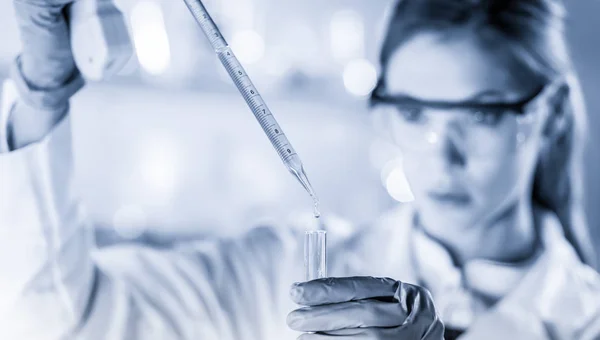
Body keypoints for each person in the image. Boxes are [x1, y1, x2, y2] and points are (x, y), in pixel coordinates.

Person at [1, 0, 600, 339]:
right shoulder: (283, 272)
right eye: (413, 113)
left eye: (482, 116)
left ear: (546, 114)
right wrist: (41, 93)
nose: (442, 154)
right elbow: (60, 321)